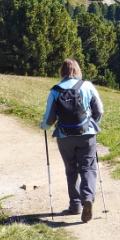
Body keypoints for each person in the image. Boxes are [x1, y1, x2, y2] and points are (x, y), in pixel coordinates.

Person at [41, 58, 104, 223]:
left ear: (62, 71)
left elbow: (49, 119)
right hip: (87, 135)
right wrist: (91, 125)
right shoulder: (87, 86)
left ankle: (75, 204)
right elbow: (99, 111)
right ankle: (87, 198)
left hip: (64, 136)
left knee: (71, 169)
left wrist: (44, 127)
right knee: (88, 168)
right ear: (77, 70)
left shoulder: (55, 90)